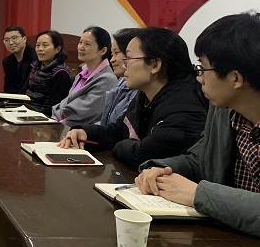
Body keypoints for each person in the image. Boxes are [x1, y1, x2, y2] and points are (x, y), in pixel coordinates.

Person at [135, 13, 260, 237]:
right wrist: (162, 170)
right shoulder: (223, 111)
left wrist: (198, 194)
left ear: (236, 78)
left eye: (203, 68)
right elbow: (200, 160)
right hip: (226, 241)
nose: (198, 77)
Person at [60, 27, 208, 166]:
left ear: (155, 65)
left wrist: (119, 144)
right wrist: (86, 133)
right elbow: (119, 130)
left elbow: (144, 154)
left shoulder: (186, 106)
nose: (124, 65)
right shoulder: (145, 94)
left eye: (128, 58)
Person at [51, 26, 117, 126]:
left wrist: (56, 121)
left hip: (82, 132)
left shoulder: (107, 79)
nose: (81, 47)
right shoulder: (81, 75)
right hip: (62, 124)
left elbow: (82, 113)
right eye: (80, 42)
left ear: (103, 51)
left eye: (87, 44)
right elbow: (66, 102)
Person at [20, 30, 72, 116]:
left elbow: (52, 107)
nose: (40, 49)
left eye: (45, 45)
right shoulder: (35, 66)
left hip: (41, 117)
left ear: (57, 49)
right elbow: (23, 92)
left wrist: (29, 115)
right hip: (26, 110)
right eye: (37, 45)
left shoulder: (61, 73)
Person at [98, 28, 141, 125]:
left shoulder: (139, 89)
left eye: (116, 53)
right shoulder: (122, 82)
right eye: (112, 54)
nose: (112, 60)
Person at [1, 26, 37, 94]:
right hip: (15, 98)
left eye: (14, 38)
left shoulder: (36, 57)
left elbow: (30, 85)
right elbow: (8, 87)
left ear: (24, 39)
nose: (11, 43)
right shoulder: (6, 61)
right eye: (6, 40)